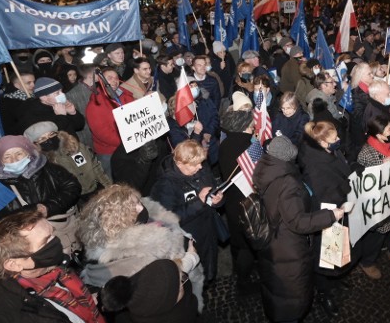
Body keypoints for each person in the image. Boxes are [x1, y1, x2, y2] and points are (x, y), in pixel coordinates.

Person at [0, 209, 111, 323]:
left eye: (52, 233)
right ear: (14, 264)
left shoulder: (50, 268)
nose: (55, 242)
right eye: (46, 242)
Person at [253, 135, 344, 323]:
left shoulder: (266, 168)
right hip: (289, 250)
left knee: (281, 295)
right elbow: (297, 222)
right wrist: (331, 216)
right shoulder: (287, 183)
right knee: (291, 300)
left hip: (274, 246)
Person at [77, 185, 203, 309]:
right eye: (133, 207)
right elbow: (164, 280)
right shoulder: (140, 251)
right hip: (175, 302)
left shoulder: (104, 239)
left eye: (138, 202)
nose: (140, 207)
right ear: (119, 219)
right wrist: (190, 259)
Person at [0, 136, 81, 249]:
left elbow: (73, 187)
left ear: (29, 153)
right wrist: (25, 215)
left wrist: (48, 208)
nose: (14, 160)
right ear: (0, 161)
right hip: (25, 246)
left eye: (19, 153)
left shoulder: (48, 169)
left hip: (63, 235)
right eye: (7, 156)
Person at [150, 140, 224, 285]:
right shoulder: (165, 185)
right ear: (180, 163)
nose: (200, 167)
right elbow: (168, 219)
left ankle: (209, 281)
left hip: (208, 230)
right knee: (193, 275)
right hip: (187, 239)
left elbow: (213, 190)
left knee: (209, 265)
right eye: (195, 165)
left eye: (201, 163)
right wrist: (198, 202)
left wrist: (218, 200)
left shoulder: (200, 168)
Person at [298, 120, 353, 316]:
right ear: (322, 143)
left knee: (335, 251)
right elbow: (323, 193)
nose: (338, 140)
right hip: (326, 213)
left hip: (338, 209)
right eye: (334, 139)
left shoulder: (328, 152)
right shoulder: (315, 165)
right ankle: (324, 292)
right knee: (324, 257)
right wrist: (346, 189)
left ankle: (334, 279)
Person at [356, 115, 390, 279]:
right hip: (381, 203)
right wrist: (381, 168)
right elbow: (364, 184)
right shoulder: (366, 154)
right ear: (378, 134)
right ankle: (368, 262)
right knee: (377, 236)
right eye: (389, 129)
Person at [101, 259, 203, 323]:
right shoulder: (179, 321)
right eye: (181, 282)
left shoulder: (125, 314)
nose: (184, 281)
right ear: (167, 302)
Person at [216, 108, 260, 295]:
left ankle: (238, 270)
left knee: (237, 239)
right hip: (248, 203)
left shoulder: (225, 143)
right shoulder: (248, 146)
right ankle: (243, 282)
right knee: (246, 245)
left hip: (232, 202)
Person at [23, 121, 111, 203]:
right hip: (74, 202)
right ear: (35, 144)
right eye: (42, 139)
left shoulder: (75, 147)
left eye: (51, 134)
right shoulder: (42, 165)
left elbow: (96, 167)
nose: (49, 139)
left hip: (96, 191)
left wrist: (109, 188)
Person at [86, 67, 135, 177]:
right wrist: (128, 141)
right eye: (110, 78)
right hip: (110, 152)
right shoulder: (95, 104)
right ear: (100, 80)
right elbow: (103, 133)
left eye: (116, 78)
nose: (114, 80)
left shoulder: (125, 95)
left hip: (129, 146)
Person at [17, 77, 86, 137]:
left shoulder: (60, 104)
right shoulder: (34, 114)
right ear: (44, 97)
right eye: (57, 93)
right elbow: (53, 136)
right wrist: (61, 116)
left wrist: (73, 113)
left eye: (61, 91)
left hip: (73, 146)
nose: (62, 94)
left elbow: (79, 126)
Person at [0, 68, 36, 135]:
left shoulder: (34, 96)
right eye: (28, 83)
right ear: (17, 85)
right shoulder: (7, 102)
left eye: (33, 82)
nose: (33, 85)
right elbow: (11, 127)